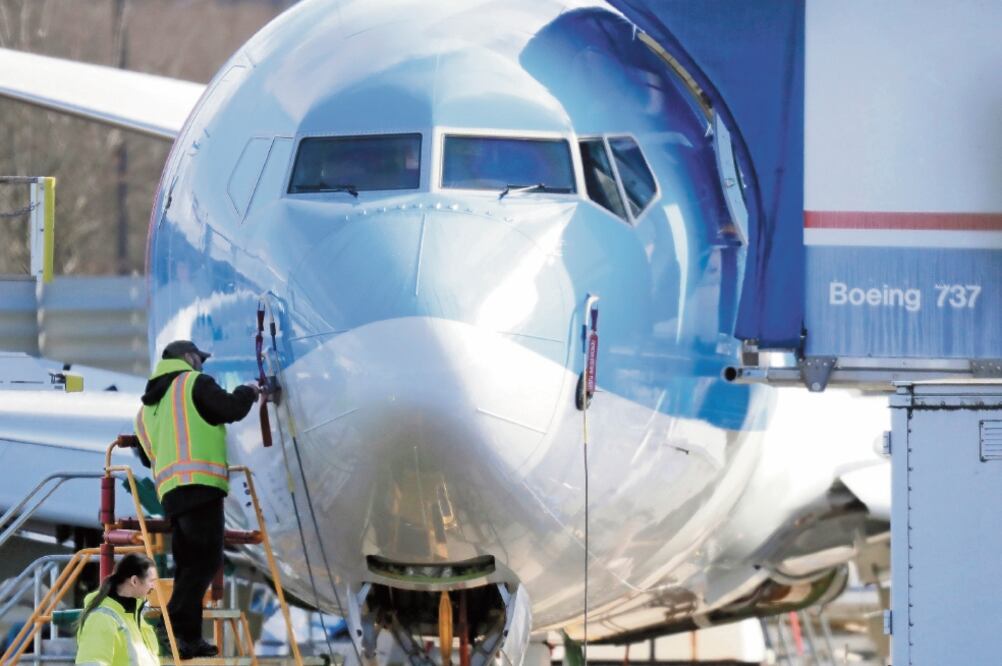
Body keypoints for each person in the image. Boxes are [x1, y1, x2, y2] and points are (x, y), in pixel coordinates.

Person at [133, 340, 259, 658]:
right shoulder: (193, 383)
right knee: (205, 561)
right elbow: (230, 409)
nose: (202, 364)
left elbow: (146, 454)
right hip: (200, 486)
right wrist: (250, 391)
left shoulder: (147, 406)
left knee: (190, 564)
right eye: (199, 359)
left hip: (172, 494)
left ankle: (188, 636)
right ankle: (173, 625)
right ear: (189, 358)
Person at [75, 553, 159, 666]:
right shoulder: (101, 618)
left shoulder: (134, 614)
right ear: (134, 581)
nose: (154, 586)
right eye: (151, 581)